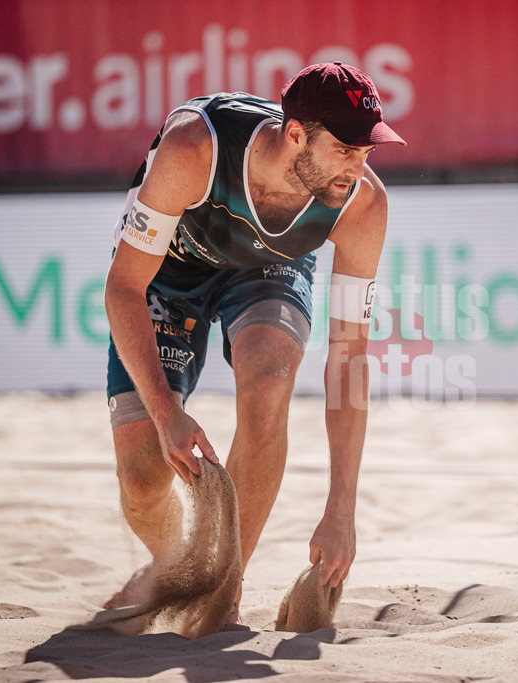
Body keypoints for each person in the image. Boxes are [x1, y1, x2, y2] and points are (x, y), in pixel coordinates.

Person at [102, 62, 406, 621]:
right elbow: (123, 287)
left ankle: (223, 585)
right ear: (295, 134)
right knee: (142, 479)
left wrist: (342, 508)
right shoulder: (196, 147)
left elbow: (349, 358)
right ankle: (179, 567)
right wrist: (167, 411)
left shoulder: (361, 204)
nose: (357, 169)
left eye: (367, 152)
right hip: (173, 269)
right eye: (345, 149)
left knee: (270, 381)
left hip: (266, 267)